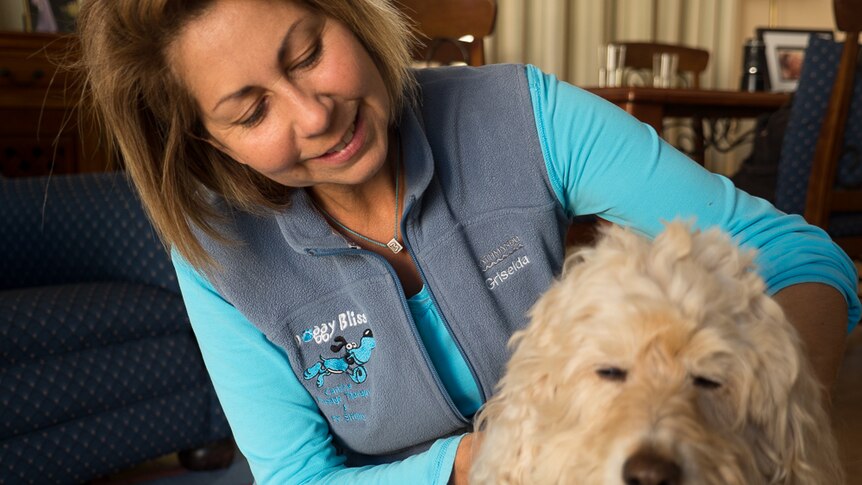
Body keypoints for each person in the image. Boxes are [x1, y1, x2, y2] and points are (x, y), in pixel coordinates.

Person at [76, 0, 859, 483]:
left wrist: (774, 416)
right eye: (251, 112)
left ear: (347, 11)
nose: (313, 115)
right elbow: (297, 477)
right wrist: (476, 466)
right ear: (207, 142)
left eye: (309, 53)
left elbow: (796, 254)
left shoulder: (523, 115)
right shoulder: (218, 253)